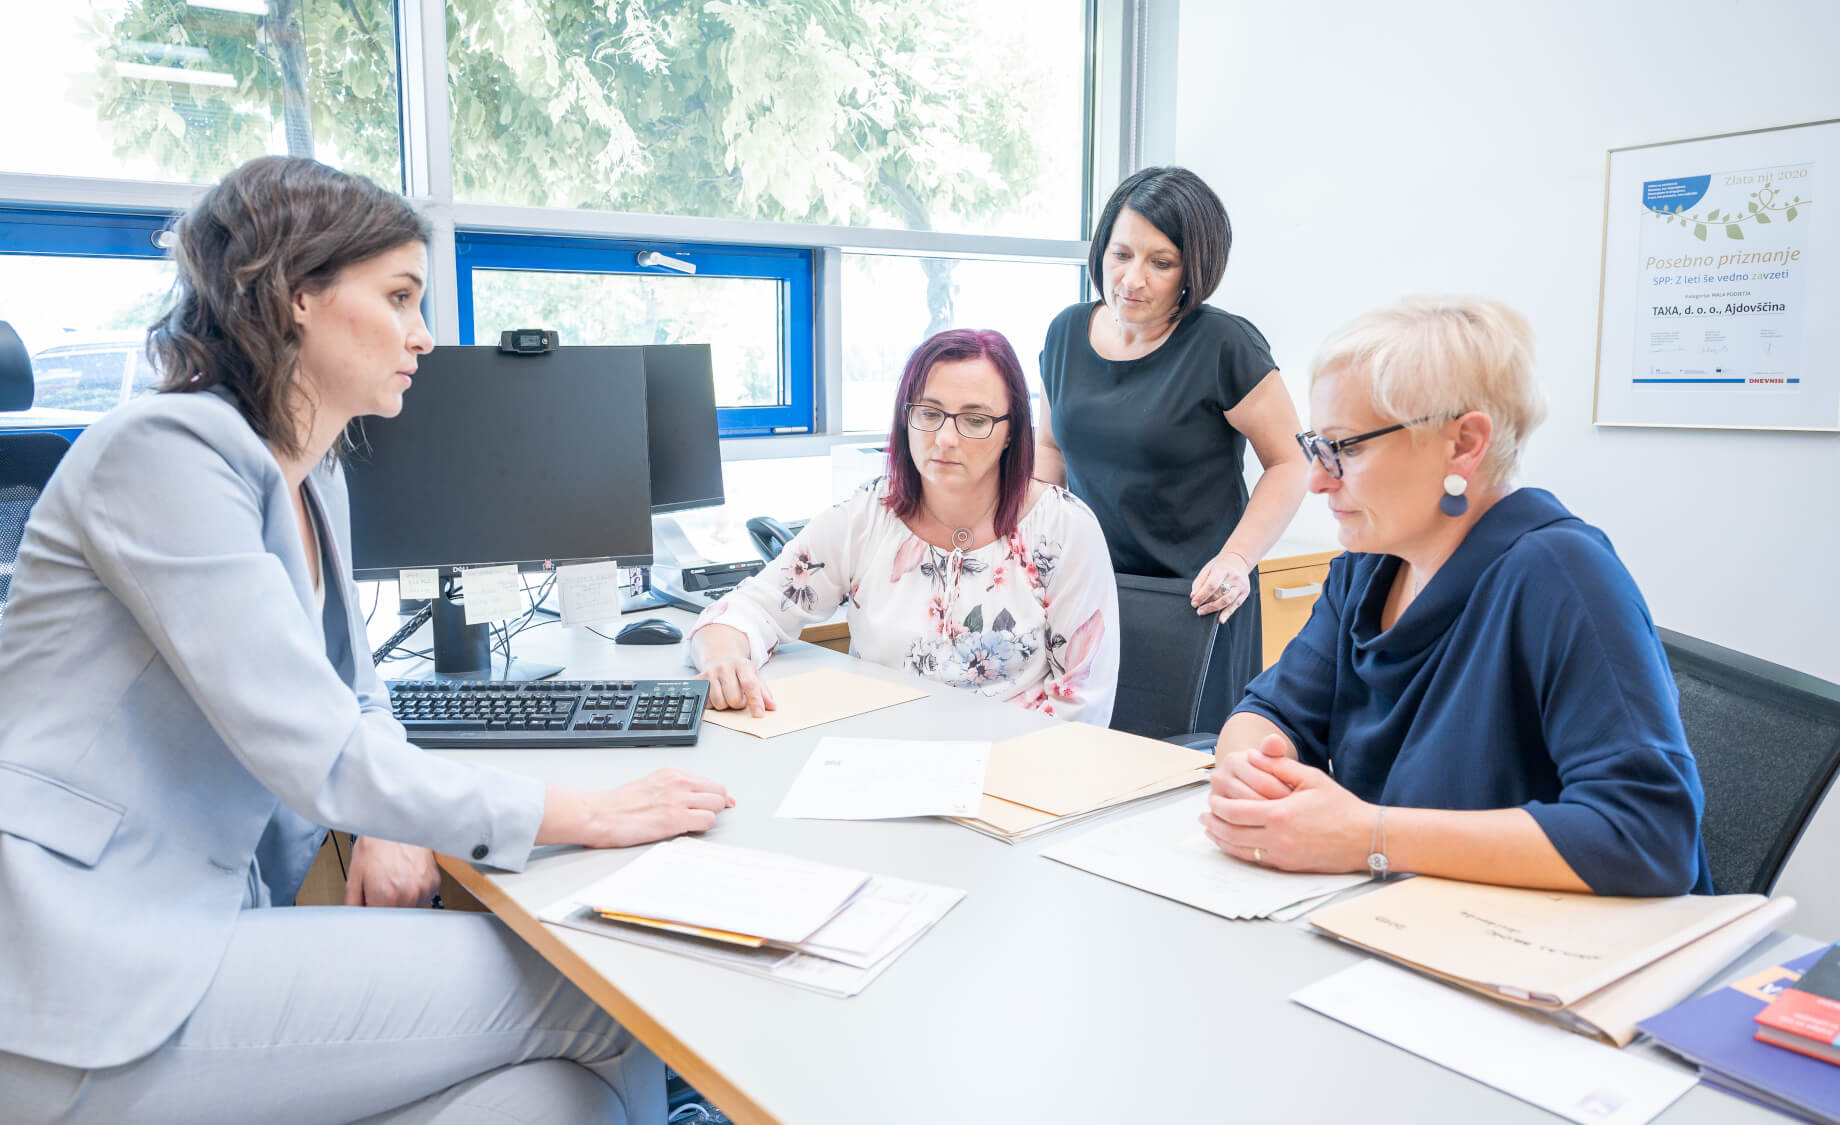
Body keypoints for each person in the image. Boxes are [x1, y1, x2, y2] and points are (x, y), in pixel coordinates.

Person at [0, 156, 734, 1125]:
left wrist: (386, 816)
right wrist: (587, 812)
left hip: (181, 943)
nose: (424, 335)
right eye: (400, 297)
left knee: (556, 1097)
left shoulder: (316, 481)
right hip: (57, 990)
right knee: (605, 996)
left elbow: (355, 704)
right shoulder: (164, 454)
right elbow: (309, 741)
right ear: (295, 297)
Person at [1201, 297, 1709, 896]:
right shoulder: (1368, 567)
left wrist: (1367, 837)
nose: (1317, 478)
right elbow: (1274, 713)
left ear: (1464, 443)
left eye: (1350, 448)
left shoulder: (1563, 575)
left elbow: (1651, 835)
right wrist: (1249, 775)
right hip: (1404, 919)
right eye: (1319, 446)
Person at [690, 329, 1121, 725]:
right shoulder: (867, 517)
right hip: (877, 762)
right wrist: (723, 657)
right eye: (930, 413)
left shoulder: (1065, 531)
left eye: (974, 420)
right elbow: (751, 610)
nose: (945, 438)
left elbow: (1080, 706)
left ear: (1010, 432)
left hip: (1017, 777)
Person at [1034, 166, 1305, 729]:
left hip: (1198, 599)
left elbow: (1289, 461)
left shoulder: (1222, 345)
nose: (1132, 279)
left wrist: (1237, 559)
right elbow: (1050, 452)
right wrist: (1028, 553)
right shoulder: (1065, 335)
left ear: (1192, 269)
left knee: (1181, 766)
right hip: (1090, 592)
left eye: (1160, 262)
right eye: (1121, 254)